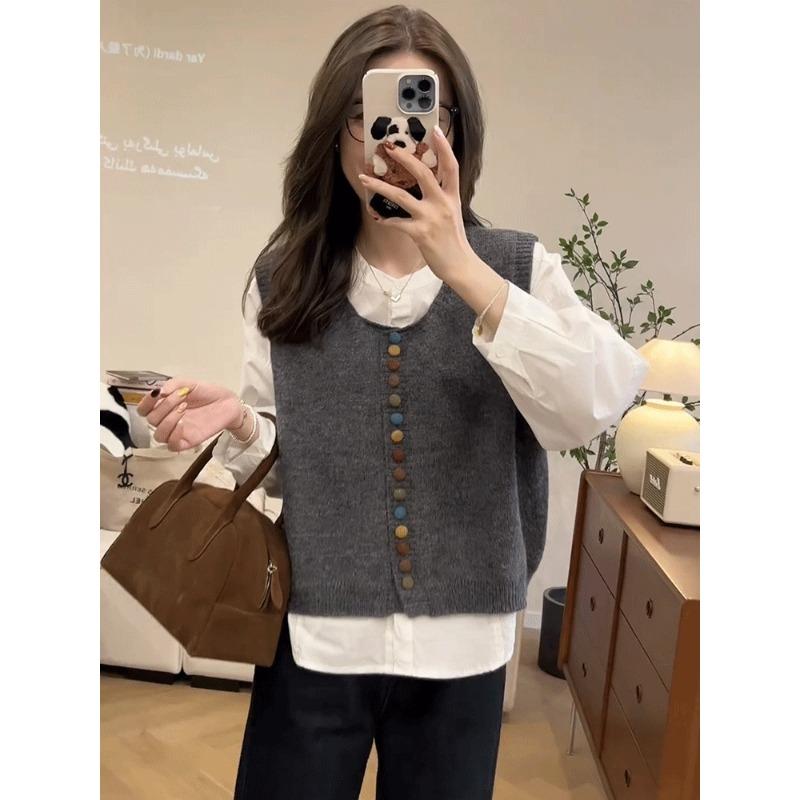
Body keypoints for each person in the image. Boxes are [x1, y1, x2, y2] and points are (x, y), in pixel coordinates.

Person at [135, 6, 649, 799]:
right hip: (315, 638)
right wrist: (239, 422)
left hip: (463, 650)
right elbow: (286, 461)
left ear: (454, 130)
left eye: (422, 111)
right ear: (335, 132)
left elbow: (594, 403)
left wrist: (463, 266)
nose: (392, 138)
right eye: (364, 112)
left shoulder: (518, 267)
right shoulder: (284, 279)